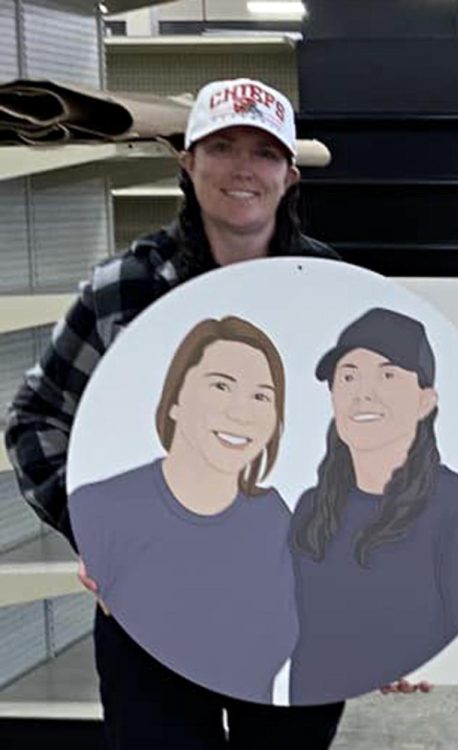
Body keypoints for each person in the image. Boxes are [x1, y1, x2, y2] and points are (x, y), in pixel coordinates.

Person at [5, 78, 345, 749]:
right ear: (187, 162)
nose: (242, 168)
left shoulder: (335, 294)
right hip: (148, 607)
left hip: (292, 608)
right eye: (221, 146)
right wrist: (93, 526)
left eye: (264, 152)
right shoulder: (122, 287)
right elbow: (37, 417)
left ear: (290, 174)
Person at [288, 307, 458, 706]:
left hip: (422, 727)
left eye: (388, 375)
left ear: (425, 401)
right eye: (348, 376)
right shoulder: (310, 511)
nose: (364, 392)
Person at [70, 316, 297, 706]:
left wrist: (384, 657)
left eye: (261, 396)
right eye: (221, 386)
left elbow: (311, 625)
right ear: (175, 400)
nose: (241, 412)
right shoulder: (104, 507)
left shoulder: (273, 515)